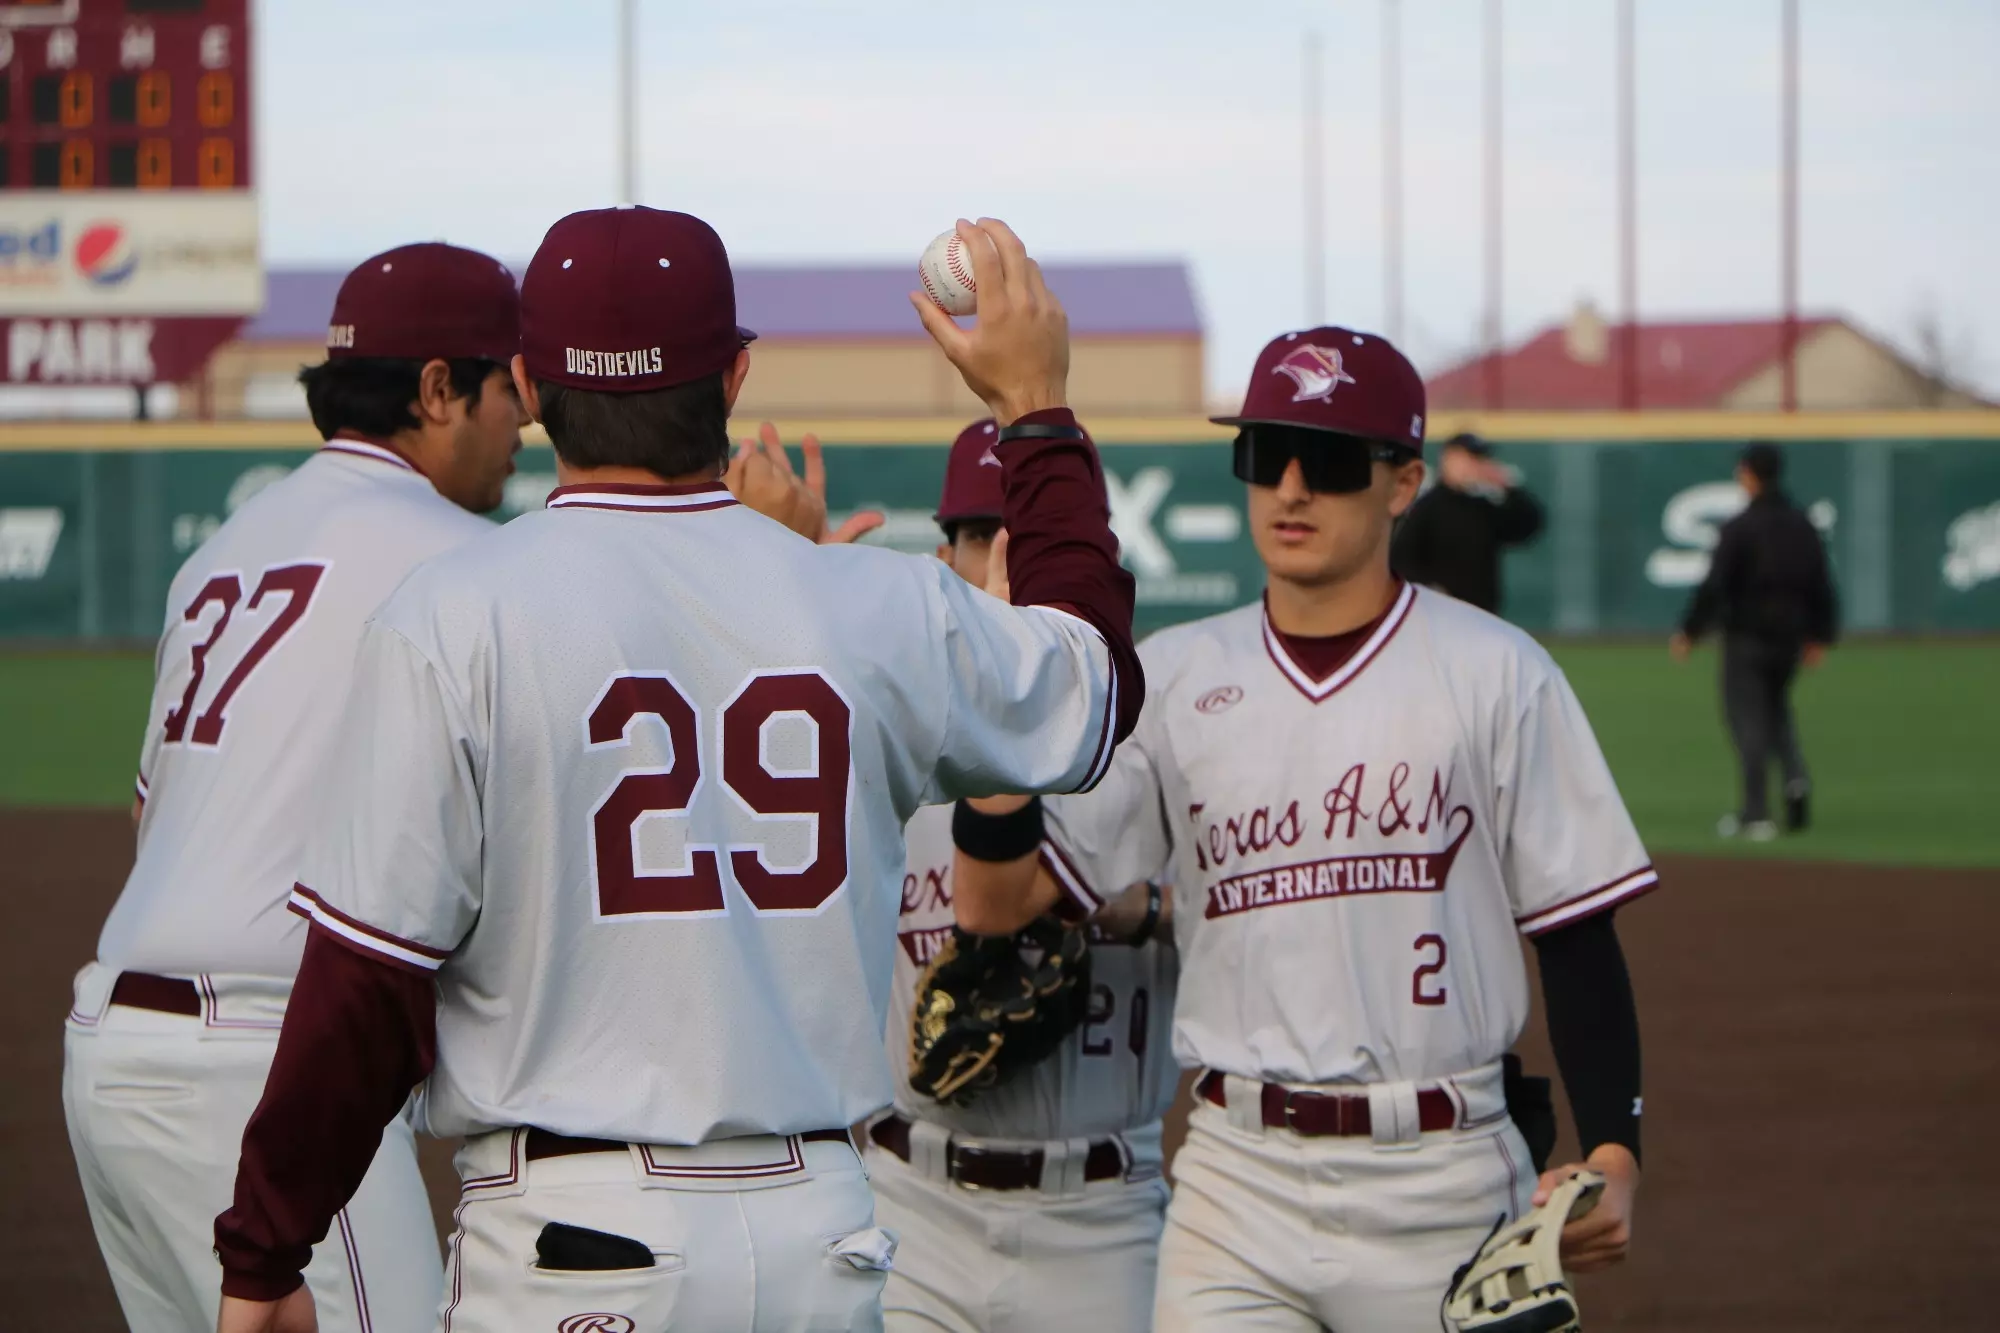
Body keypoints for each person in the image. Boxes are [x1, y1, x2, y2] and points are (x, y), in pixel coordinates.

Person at [209, 211, 1142, 1333]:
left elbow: (364, 987)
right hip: (816, 1232)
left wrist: (266, 1249)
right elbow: (1094, 687)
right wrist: (1035, 410)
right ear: (735, 376)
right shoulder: (876, 605)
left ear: (530, 386)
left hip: (574, 1236)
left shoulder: (452, 615)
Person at [955, 327, 1658, 1330]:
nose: (1289, 488)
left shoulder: (1495, 670)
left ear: (1403, 482)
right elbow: (998, 903)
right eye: (1265, 454)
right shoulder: (1176, 677)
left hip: (1445, 1174)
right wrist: (998, 707)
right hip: (1235, 1181)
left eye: (1326, 461)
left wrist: (1614, 1150)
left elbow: (1575, 930)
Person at [58, 243, 527, 1333]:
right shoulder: (458, 560)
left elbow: (149, 815)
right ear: (439, 390)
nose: (526, 418)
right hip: (260, 1069)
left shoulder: (221, 552)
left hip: (111, 1054)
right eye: (508, 385)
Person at [869, 418, 1180, 1333]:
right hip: (911, 1199)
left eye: (1030, 535)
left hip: (1101, 1210)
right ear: (944, 559)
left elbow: (1253, 903)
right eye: (980, 534)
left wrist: (1147, 911)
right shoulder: (876, 730)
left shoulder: (1153, 727)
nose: (1006, 558)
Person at [1671, 440, 1838, 840]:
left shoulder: (1740, 528)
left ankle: (1756, 813)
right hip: (1789, 638)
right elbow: (1821, 582)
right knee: (1776, 710)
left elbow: (1715, 585)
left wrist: (1690, 631)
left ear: (1749, 474)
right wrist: (1820, 634)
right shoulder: (1802, 525)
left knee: (1747, 720)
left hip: (1747, 636)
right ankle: (1795, 780)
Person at [1390, 430, 1543, 616]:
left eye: (1479, 459)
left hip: (1484, 613)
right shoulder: (1426, 507)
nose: (1476, 465)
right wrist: (1430, 590)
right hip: (1441, 615)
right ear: (1449, 459)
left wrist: (1508, 487)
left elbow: (1528, 526)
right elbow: (1401, 560)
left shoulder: (1482, 506)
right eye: (1470, 458)